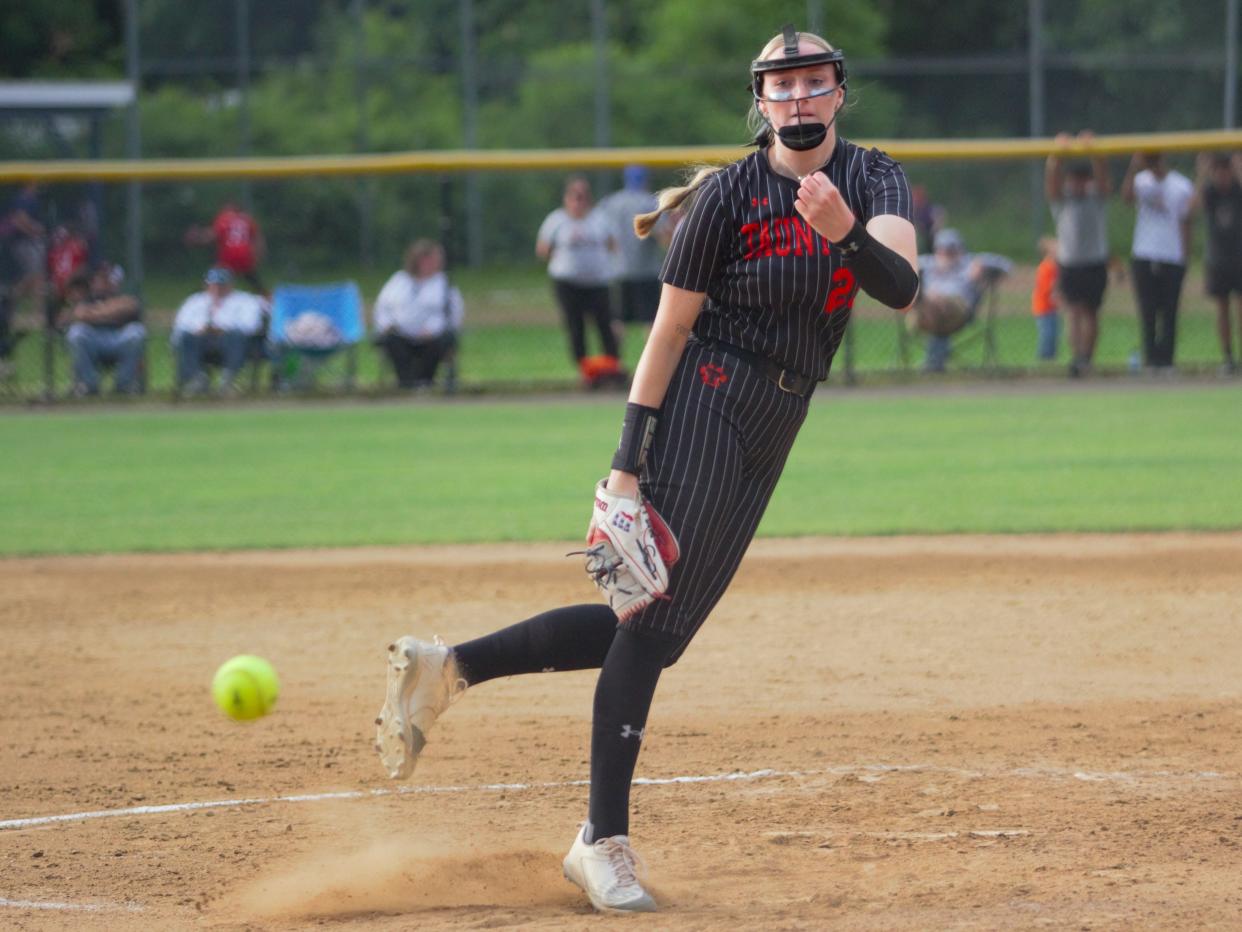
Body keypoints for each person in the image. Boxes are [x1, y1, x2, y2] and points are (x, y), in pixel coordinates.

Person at [372, 26, 918, 914]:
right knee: (656, 620)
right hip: (710, 390)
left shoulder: (873, 178)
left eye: (815, 82)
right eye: (782, 86)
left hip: (782, 413)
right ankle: (601, 841)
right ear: (760, 101)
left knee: (651, 618)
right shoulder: (727, 200)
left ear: (839, 94)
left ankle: (452, 667)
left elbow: (900, 288)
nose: (799, 99)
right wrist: (624, 469)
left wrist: (845, 233)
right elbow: (666, 335)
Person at [536, 176, 624, 388]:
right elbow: (542, 249)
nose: (579, 201)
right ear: (566, 199)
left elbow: (613, 245)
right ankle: (587, 374)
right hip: (568, 284)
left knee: (606, 327)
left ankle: (610, 371)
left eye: (583, 197)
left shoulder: (600, 219)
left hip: (597, 283)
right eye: (575, 197)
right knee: (576, 329)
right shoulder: (556, 220)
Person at [1046, 130, 1112, 377]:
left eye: (1084, 180)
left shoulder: (1097, 198)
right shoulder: (1063, 201)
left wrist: (1094, 151)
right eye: (1075, 180)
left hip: (1094, 261)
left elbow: (1104, 179)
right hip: (1070, 262)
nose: (1080, 184)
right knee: (1072, 312)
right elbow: (1051, 182)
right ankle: (1076, 359)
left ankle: (1087, 358)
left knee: (1091, 313)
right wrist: (1056, 155)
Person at [1121, 151, 1194, 372]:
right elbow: (1125, 198)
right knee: (1148, 311)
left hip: (1172, 254)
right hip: (1144, 253)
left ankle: (1167, 361)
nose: (1153, 164)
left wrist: (1185, 256)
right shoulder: (1141, 181)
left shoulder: (1181, 184)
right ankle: (1151, 360)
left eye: (1156, 159)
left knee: (1170, 311)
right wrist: (1134, 168)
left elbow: (1187, 221)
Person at [909, 228, 1011, 372]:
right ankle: (934, 362)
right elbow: (899, 265)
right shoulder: (928, 264)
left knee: (939, 303)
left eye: (951, 249)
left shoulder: (968, 263)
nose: (947, 253)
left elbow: (1007, 266)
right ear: (937, 249)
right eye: (943, 249)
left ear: (959, 249)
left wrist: (982, 265)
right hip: (928, 313)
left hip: (959, 310)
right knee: (932, 302)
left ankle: (933, 362)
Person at [373, 239, 464, 390]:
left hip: (431, 337)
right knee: (391, 341)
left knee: (442, 341)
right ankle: (407, 384)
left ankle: (425, 382)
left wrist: (433, 329)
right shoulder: (398, 281)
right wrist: (387, 325)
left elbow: (453, 313)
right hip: (401, 336)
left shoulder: (444, 283)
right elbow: (382, 308)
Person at [597, 165, 667, 347]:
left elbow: (600, 234)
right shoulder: (651, 202)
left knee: (617, 321)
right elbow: (662, 236)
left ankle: (613, 361)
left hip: (618, 269)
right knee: (651, 321)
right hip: (646, 271)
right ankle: (652, 368)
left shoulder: (611, 201)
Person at [170, 267, 266, 395]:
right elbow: (180, 325)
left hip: (230, 342)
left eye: (221, 285)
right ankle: (197, 378)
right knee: (186, 337)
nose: (217, 289)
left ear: (230, 285)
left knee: (236, 336)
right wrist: (199, 329)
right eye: (213, 285)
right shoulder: (194, 301)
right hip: (200, 341)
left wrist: (222, 328)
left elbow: (250, 325)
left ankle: (228, 380)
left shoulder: (245, 301)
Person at [57, 262, 147, 397]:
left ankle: (124, 385)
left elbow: (130, 306)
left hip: (119, 340)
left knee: (136, 332)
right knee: (77, 333)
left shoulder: (124, 297)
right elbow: (78, 314)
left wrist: (94, 313)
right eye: (100, 279)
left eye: (108, 279)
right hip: (94, 341)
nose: (104, 283)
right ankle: (89, 385)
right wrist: (112, 312)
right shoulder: (87, 299)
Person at [1194, 151, 1242, 375]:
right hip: (1218, 260)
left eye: (1226, 171)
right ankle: (1228, 357)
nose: (1223, 177)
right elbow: (1193, 205)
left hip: (1239, 258)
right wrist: (1203, 173)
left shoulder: (1237, 191)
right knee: (1222, 310)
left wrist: (1238, 168)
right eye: (1218, 172)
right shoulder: (1210, 193)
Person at [185, 201, 266, 294]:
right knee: (253, 280)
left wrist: (198, 237)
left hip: (228, 256)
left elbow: (211, 236)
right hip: (245, 256)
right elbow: (258, 239)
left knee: (212, 279)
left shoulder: (224, 219)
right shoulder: (247, 219)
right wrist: (258, 257)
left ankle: (203, 298)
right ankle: (267, 298)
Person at [1032, 236, 1060, 362]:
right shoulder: (1046, 267)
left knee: (1053, 334)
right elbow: (1047, 288)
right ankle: (1044, 358)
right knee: (1047, 334)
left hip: (1052, 308)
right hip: (1043, 308)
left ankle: (1051, 358)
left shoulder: (1055, 267)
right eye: (1056, 249)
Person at [910, 182, 946, 255]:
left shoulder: (928, 208)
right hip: (921, 231)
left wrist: (935, 227)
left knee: (933, 236)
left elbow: (940, 214)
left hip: (931, 231)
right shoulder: (914, 209)